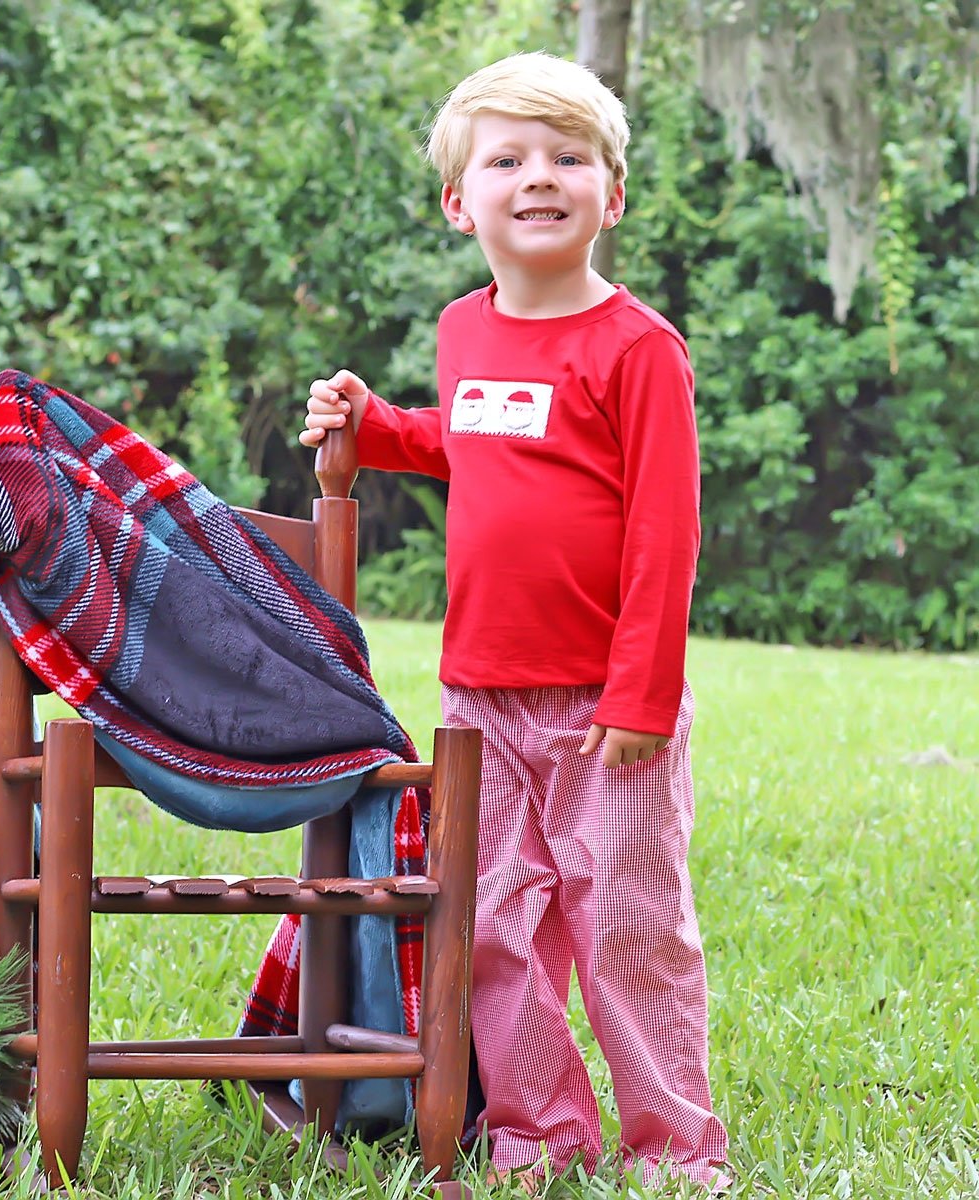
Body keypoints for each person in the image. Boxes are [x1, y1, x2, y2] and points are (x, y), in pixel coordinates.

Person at [299, 51, 729, 1192]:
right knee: (492, 922)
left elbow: (665, 539)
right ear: (459, 202)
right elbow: (467, 440)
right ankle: (540, 1134)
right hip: (478, 695)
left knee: (627, 930)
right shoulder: (465, 330)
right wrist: (377, 424)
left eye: (569, 157)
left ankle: (671, 1146)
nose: (540, 176)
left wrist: (641, 695)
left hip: (605, 708)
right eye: (509, 158)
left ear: (612, 195)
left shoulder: (639, 350)